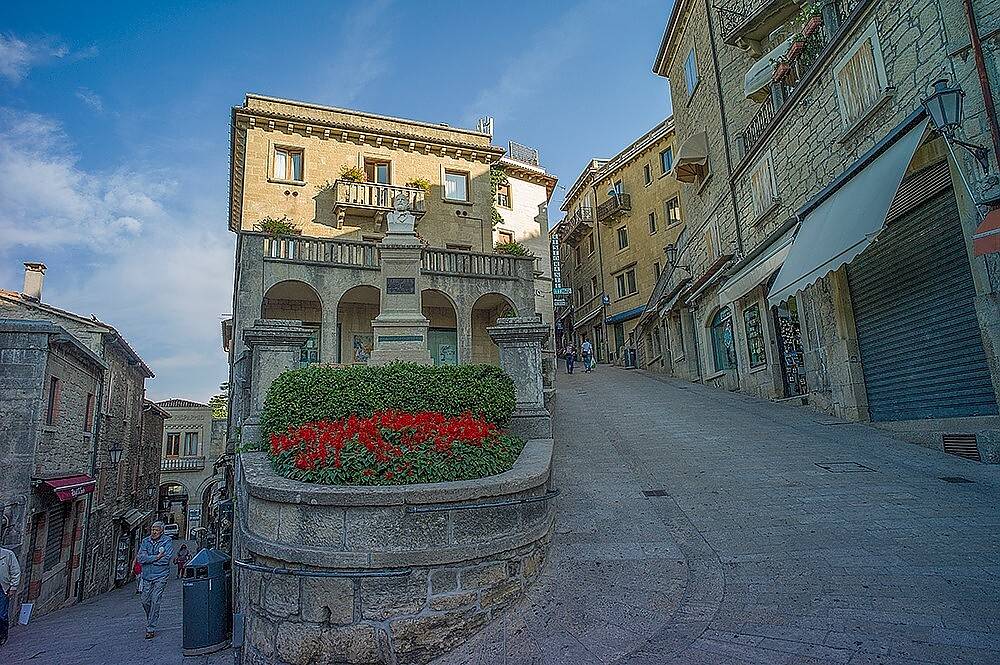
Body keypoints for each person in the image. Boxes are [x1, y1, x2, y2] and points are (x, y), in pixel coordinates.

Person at [136, 521, 173, 639]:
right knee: (144, 601)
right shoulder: (145, 541)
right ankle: (151, 618)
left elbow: (165, 560)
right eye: (153, 529)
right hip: (147, 575)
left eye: (157, 530)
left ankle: (150, 628)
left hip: (161, 575)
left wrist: (149, 559)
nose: (154, 532)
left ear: (162, 531)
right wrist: (156, 557)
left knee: (155, 600)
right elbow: (140, 558)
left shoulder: (167, 541)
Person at [0, 545, 20, 649]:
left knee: (1, 614)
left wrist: (13, 587)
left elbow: (15, 571)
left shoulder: (8, 554)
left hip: (3, 588)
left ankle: (2, 634)